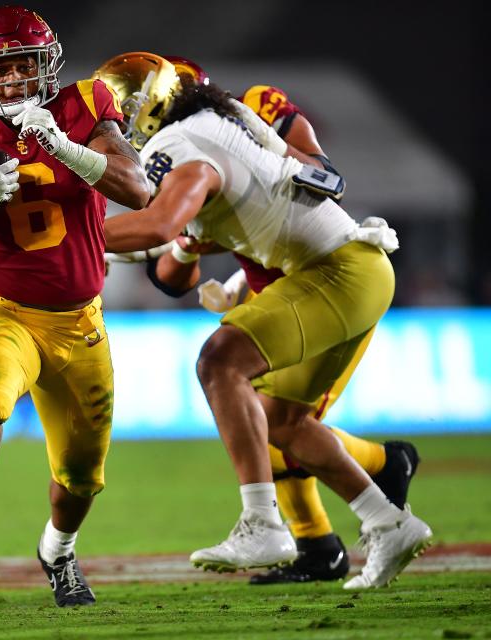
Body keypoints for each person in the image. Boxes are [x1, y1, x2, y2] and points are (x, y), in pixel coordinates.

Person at [97, 52, 432, 589]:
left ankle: (263, 522)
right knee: (281, 420)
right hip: (344, 271)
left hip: (333, 273)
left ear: (154, 105)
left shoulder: (178, 142)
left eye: (120, 113)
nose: (115, 128)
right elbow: (170, 255)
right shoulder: (217, 123)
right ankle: (387, 521)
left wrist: (68, 241)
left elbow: (160, 223)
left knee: (219, 361)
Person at [0, 6, 149, 607]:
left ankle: (58, 553)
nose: (12, 81)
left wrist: (65, 147)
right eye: (0, 69)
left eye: (23, 66)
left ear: (47, 67)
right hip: (5, 308)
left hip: (80, 321)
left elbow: (138, 190)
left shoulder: (86, 106)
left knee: (83, 477)